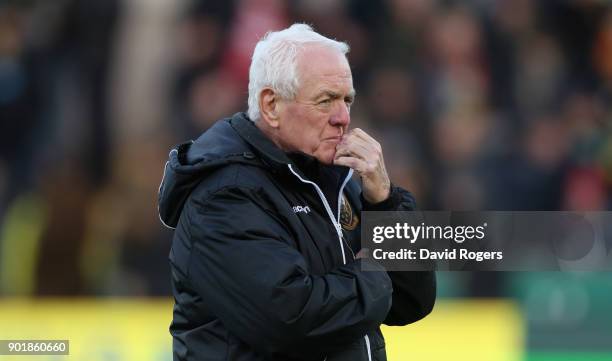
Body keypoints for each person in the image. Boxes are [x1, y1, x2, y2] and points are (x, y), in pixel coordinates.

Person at [158, 23, 436, 361]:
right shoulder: (223, 195)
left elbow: (412, 302)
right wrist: (375, 270)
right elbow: (292, 319)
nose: (344, 117)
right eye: (326, 101)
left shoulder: (335, 178)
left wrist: (386, 203)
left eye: (347, 100)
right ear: (271, 105)